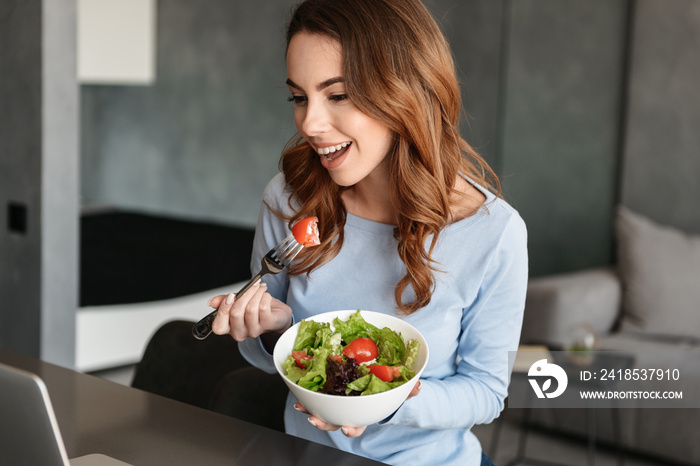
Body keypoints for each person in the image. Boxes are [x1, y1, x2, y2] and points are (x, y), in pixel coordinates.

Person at [208, 0, 528, 464]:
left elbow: (485, 392)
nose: (310, 124)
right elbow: (267, 358)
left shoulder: (492, 232)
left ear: (405, 91)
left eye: (337, 95)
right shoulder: (290, 200)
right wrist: (274, 331)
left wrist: (385, 404)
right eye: (299, 97)